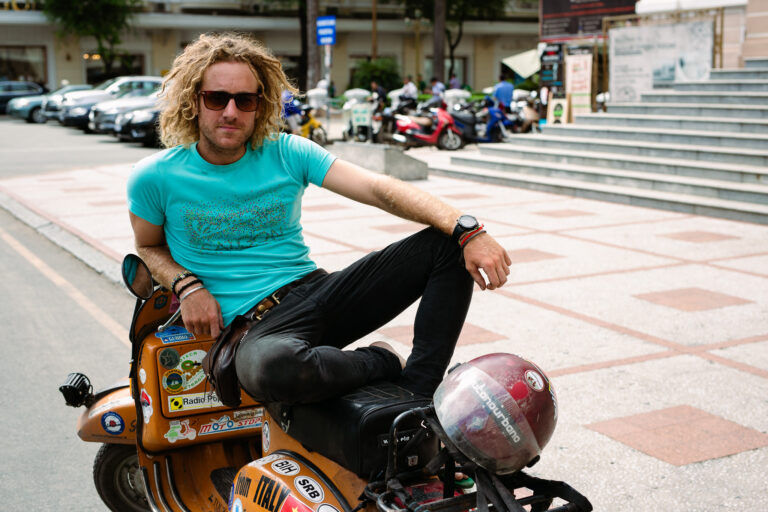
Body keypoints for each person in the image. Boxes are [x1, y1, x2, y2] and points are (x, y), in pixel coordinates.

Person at [127, 33, 510, 405]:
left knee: (448, 244)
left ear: (261, 105)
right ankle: (385, 360)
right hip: (256, 330)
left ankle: (418, 393)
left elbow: (377, 189)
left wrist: (467, 228)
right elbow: (147, 245)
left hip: (316, 296)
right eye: (216, 98)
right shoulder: (156, 176)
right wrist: (187, 286)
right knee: (270, 368)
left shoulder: (287, 152)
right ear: (194, 101)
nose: (231, 112)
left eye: (245, 100)